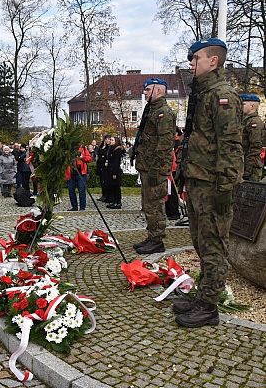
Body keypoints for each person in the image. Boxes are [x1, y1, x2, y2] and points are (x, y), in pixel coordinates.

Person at [174, 38, 243, 328]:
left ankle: (209, 307)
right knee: (200, 242)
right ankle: (203, 295)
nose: (192, 63)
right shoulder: (203, 94)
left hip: (214, 185)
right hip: (199, 181)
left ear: (213, 61)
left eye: (197, 58)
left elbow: (230, 147)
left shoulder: (222, 96)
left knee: (214, 245)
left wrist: (225, 190)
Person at [133, 78, 176, 255]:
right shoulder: (152, 111)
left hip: (155, 168)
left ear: (158, 90)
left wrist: (156, 169)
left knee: (155, 204)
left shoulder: (163, 112)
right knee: (148, 204)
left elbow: (165, 145)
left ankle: (157, 240)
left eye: (148, 90)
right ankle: (152, 236)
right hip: (147, 166)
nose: (145, 93)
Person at [240, 93, 264, 182]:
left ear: (252, 106)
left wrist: (247, 169)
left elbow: (255, 147)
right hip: (242, 163)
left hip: (251, 168)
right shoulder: (245, 121)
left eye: (243, 104)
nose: (240, 106)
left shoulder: (255, 123)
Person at [65, 145, 92, 211]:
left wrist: (82, 157)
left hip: (81, 173)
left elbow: (89, 159)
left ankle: (82, 207)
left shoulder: (83, 148)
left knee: (81, 190)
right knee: (71, 190)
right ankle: (74, 207)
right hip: (70, 173)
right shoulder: (66, 147)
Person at [104, 137, 125, 209]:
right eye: (111, 140)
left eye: (112, 140)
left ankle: (118, 202)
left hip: (115, 171)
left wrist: (114, 173)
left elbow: (116, 163)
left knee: (116, 187)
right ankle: (113, 201)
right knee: (112, 187)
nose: (110, 141)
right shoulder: (111, 148)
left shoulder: (117, 150)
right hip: (110, 170)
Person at [96, 135, 111, 202]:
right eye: (106, 139)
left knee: (106, 182)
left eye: (108, 139)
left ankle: (107, 195)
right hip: (100, 166)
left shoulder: (109, 148)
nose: (107, 140)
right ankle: (103, 194)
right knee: (102, 181)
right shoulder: (101, 146)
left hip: (106, 167)